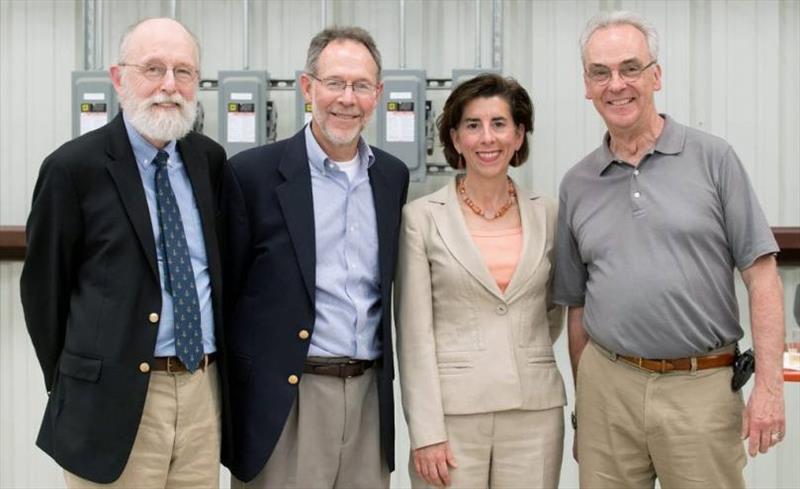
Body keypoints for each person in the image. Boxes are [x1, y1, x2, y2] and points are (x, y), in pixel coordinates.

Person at [554, 10, 786, 489]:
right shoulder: (577, 184)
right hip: (608, 390)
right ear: (586, 85)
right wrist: (586, 406)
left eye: (630, 68)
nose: (616, 84)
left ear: (655, 75)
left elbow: (762, 275)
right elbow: (577, 308)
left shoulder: (713, 159)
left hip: (700, 388)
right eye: (601, 73)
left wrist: (769, 387)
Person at [20, 17, 228, 488]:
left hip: (201, 393)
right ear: (118, 78)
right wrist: (81, 379)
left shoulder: (208, 161)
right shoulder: (73, 169)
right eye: (153, 69)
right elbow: (43, 293)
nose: (169, 86)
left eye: (184, 72)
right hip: (114, 399)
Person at [222, 26, 409, 489]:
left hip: (368, 399)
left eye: (361, 85)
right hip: (285, 403)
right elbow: (225, 295)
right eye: (335, 83)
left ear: (378, 94)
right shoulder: (252, 175)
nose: (347, 98)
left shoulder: (391, 176)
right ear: (308, 87)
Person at [395, 73, 566, 488]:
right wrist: (427, 431)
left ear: (520, 134)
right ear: (455, 138)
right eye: (473, 125)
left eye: (500, 124)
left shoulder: (550, 213)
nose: (487, 138)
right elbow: (414, 337)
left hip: (535, 413)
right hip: (453, 418)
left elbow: (553, 312)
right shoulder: (422, 218)